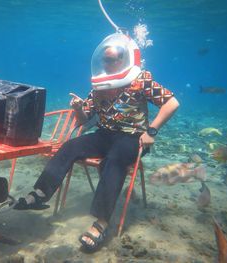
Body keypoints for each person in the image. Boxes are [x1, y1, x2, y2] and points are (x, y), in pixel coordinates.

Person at [14, 32, 179, 252]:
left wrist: (152, 131)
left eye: (112, 59)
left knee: (115, 158)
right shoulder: (100, 85)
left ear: (124, 59)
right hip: (105, 134)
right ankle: (40, 193)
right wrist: (78, 109)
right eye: (105, 59)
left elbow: (172, 103)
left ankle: (102, 222)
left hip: (133, 137)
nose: (107, 63)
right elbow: (84, 121)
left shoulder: (141, 80)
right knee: (71, 145)